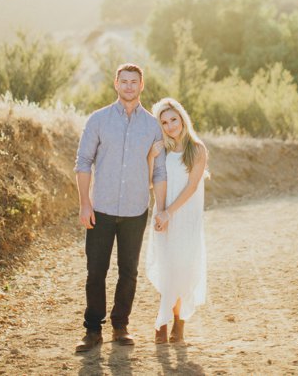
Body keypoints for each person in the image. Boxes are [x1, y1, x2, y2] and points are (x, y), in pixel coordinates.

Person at [74, 63, 167, 352]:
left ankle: (120, 326)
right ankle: (92, 330)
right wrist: (85, 203)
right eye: (123, 81)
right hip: (99, 208)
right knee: (96, 271)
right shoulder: (98, 120)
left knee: (128, 272)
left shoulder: (152, 125)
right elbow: (82, 162)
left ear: (142, 86)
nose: (128, 86)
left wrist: (161, 208)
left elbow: (160, 171)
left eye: (134, 82)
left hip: (135, 210)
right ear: (116, 84)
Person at [145, 98, 208, 345]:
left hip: (185, 215)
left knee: (183, 267)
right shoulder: (162, 149)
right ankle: (162, 321)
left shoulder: (197, 149)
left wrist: (170, 213)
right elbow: (150, 182)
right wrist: (151, 156)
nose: (170, 126)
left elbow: (192, 186)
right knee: (167, 266)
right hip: (162, 214)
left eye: (173, 119)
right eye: (164, 122)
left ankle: (178, 323)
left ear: (182, 118)